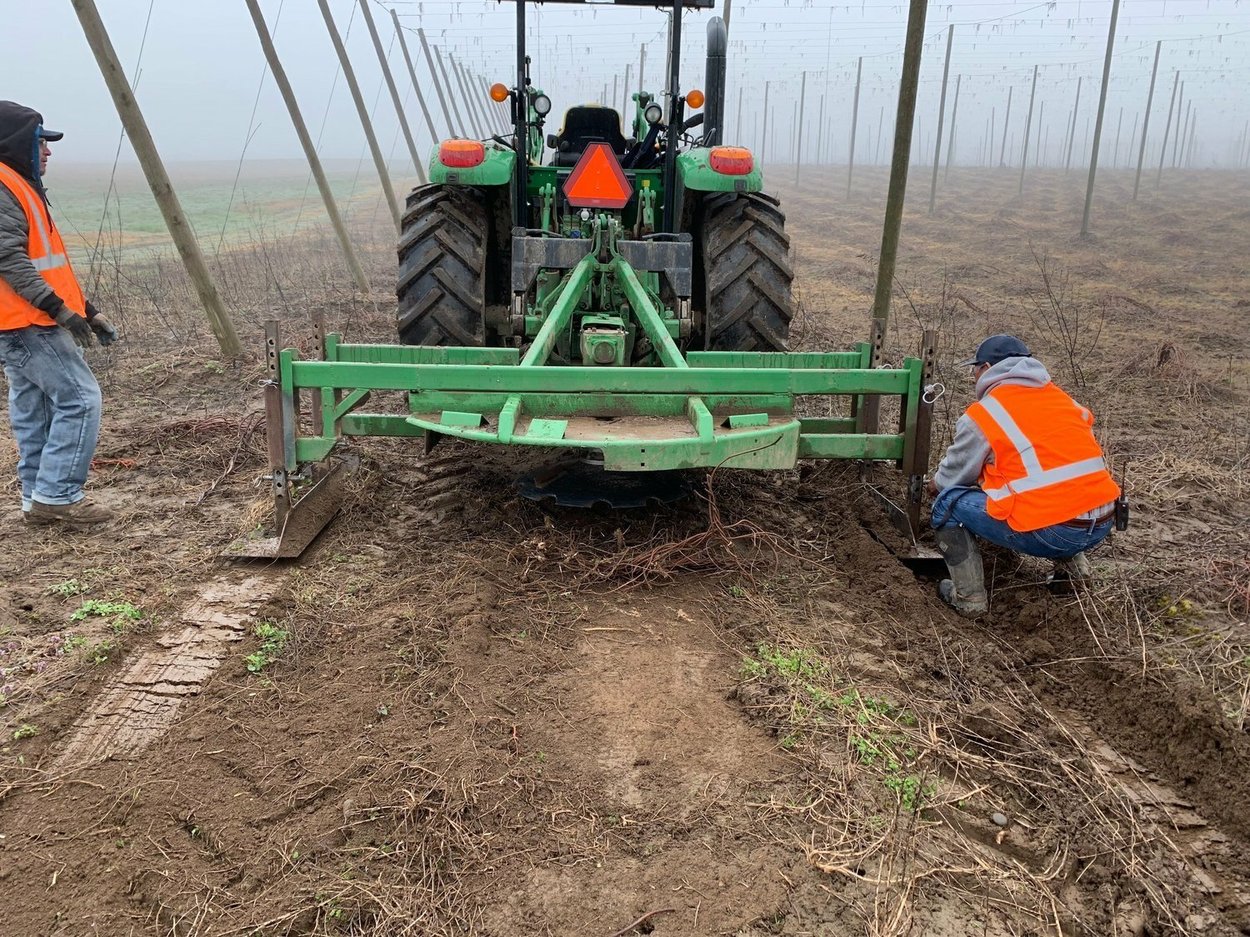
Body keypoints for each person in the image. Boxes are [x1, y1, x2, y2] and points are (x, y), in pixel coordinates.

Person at [926, 334, 1120, 617]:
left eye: (974, 369)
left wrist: (932, 486)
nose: (972, 377)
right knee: (1058, 495)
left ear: (987, 368)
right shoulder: (1062, 400)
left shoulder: (986, 414)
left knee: (948, 502)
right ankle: (1075, 577)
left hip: (1055, 532)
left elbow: (952, 478)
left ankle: (968, 599)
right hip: (1102, 523)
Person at [0, 101, 117, 527]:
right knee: (80, 400)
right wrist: (60, 313)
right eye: (39, 142)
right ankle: (58, 495)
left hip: (23, 321)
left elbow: (47, 264)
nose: (47, 151)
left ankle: (37, 499)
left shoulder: (19, 185)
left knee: (36, 410)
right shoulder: (4, 185)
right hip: (28, 323)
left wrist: (86, 310)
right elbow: (10, 261)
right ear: (16, 143)